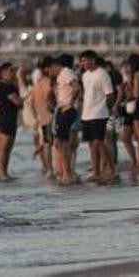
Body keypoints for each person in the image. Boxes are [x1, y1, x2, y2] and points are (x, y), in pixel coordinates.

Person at [79, 50, 116, 183]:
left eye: (85, 60)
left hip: (100, 114)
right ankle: (96, 172)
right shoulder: (85, 75)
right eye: (81, 61)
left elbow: (110, 95)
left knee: (99, 143)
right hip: (86, 114)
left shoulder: (102, 74)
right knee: (91, 145)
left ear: (93, 60)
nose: (83, 63)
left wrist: (107, 109)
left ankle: (110, 169)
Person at [49, 54, 81, 185]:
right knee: (60, 142)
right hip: (63, 110)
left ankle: (67, 174)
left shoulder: (66, 72)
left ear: (57, 65)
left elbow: (77, 87)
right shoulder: (63, 74)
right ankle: (65, 173)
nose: (50, 70)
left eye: (51, 67)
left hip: (66, 110)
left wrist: (70, 103)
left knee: (61, 142)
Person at [0, 63, 22, 180]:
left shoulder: (10, 85)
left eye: (13, 70)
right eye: (11, 71)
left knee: (8, 148)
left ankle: (4, 172)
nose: (13, 73)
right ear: (4, 72)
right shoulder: (5, 86)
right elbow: (17, 101)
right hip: (5, 119)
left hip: (10, 118)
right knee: (4, 147)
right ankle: (2, 173)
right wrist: (23, 100)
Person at [30, 57, 55, 177]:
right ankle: (54, 169)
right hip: (51, 118)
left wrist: (36, 117)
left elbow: (30, 103)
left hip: (42, 119)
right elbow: (50, 99)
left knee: (46, 143)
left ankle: (48, 168)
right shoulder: (49, 82)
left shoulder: (37, 84)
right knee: (55, 144)